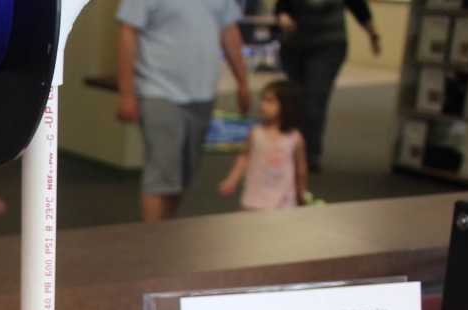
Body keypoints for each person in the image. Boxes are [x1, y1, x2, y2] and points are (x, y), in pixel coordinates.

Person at [116, 0, 252, 223]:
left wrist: (243, 82)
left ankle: (166, 232)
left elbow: (229, 31)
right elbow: (128, 32)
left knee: (181, 178)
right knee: (162, 174)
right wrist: (127, 93)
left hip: (202, 93)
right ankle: (152, 237)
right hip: (158, 90)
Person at [274, 0, 382, 171]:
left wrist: (373, 33)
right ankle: (291, 148)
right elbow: (282, 6)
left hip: (329, 45)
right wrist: (283, 17)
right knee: (296, 99)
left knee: (315, 98)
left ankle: (309, 155)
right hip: (294, 46)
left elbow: (358, 7)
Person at [219, 80, 308, 210]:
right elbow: (244, 157)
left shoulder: (294, 138)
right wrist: (232, 179)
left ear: (286, 105)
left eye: (270, 101)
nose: (262, 105)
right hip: (254, 200)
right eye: (263, 100)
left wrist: (301, 193)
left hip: (283, 203)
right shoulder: (256, 133)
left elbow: (300, 170)